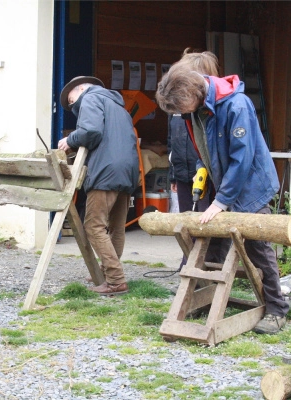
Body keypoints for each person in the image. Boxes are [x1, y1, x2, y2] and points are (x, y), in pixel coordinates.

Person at [156, 63, 289, 334]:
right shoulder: (196, 110)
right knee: (211, 241)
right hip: (224, 181)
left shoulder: (237, 106)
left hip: (252, 186)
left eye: (182, 108)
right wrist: (201, 169)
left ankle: (277, 310)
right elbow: (205, 147)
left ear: (194, 92)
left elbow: (242, 159)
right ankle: (209, 298)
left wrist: (221, 201)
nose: (181, 114)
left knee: (257, 247)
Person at [58, 76, 139, 296]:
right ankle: (107, 272)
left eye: (71, 99)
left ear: (82, 88)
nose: (72, 105)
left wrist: (70, 140)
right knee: (116, 226)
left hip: (106, 170)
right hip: (128, 170)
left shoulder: (91, 99)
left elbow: (91, 131)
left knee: (93, 226)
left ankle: (115, 280)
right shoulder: (119, 106)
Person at [167, 50, 230, 269]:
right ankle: (189, 262)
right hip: (183, 172)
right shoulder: (178, 105)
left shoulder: (214, 106)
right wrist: (172, 175)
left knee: (207, 222)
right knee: (187, 220)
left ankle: (206, 265)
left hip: (204, 174)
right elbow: (171, 143)